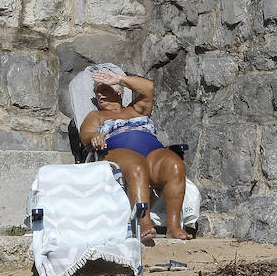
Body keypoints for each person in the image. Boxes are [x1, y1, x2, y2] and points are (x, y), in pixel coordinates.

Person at [78, 70, 193, 245]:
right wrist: (95, 135)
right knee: (137, 166)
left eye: (104, 89)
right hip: (117, 153)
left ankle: (174, 227)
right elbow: (85, 134)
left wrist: (119, 79)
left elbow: (149, 88)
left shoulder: (137, 108)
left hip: (153, 153)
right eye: (97, 91)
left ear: (119, 92)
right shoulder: (96, 116)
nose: (99, 94)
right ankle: (144, 224)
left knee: (175, 165)